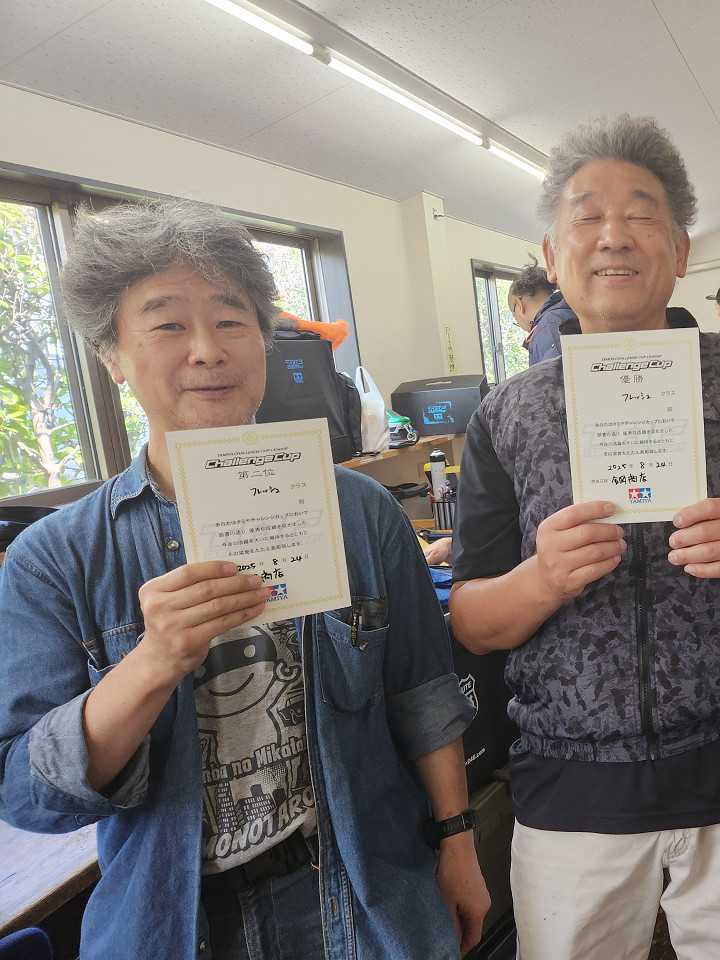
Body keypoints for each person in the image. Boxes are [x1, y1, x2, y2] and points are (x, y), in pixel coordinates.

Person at [0, 200, 489, 960]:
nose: (207, 350)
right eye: (167, 325)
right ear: (111, 356)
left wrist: (458, 842)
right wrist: (152, 663)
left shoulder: (360, 511)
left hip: (365, 900)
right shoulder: (56, 558)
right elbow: (28, 795)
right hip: (174, 925)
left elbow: (421, 693)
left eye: (231, 320)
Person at [447, 114, 720, 960]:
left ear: (679, 250)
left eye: (641, 215)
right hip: (571, 790)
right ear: (552, 252)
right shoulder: (507, 414)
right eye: (588, 218)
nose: (614, 237)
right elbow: (472, 619)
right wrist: (541, 578)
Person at [508, 263, 575, 366]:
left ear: (519, 304)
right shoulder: (570, 311)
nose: (518, 322)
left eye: (514, 316)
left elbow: (555, 374)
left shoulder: (548, 327)